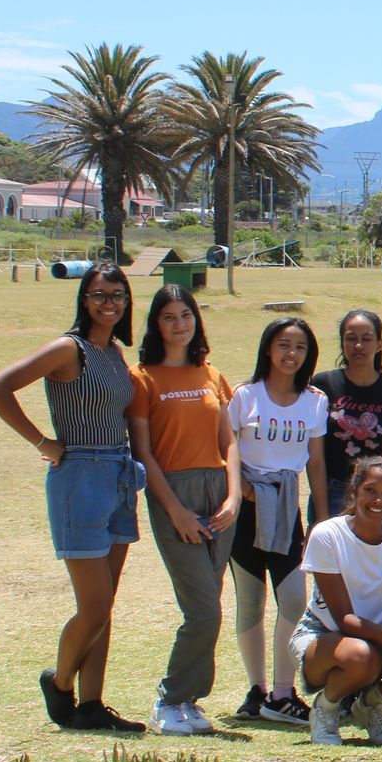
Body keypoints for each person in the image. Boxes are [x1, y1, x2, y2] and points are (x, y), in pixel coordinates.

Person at [0, 261, 147, 733]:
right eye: (99, 294)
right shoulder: (68, 349)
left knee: (105, 605)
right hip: (80, 477)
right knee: (92, 606)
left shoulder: (114, 352)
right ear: (84, 299)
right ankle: (59, 683)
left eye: (117, 294)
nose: (109, 303)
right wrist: (42, 442)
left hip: (119, 474)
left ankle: (92, 705)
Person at [128, 285, 241, 735]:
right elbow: (143, 452)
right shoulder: (142, 378)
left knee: (210, 602)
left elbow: (229, 442)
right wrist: (173, 510)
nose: (180, 325)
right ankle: (169, 698)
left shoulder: (210, 374)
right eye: (169, 317)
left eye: (186, 315)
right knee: (203, 610)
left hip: (219, 493)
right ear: (156, 325)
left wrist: (234, 496)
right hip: (173, 493)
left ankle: (189, 700)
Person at [293, 456, 382, 745]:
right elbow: (343, 619)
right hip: (322, 635)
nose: (378, 500)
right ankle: (326, 709)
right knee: (363, 657)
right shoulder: (327, 534)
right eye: (370, 490)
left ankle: (372, 705)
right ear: (354, 490)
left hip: (377, 637)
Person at [227, 317, 330, 727]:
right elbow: (226, 449)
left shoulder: (315, 401)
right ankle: (256, 691)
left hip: (287, 507)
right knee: (250, 602)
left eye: (300, 347)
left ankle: (283, 693)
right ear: (268, 349)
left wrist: (321, 518)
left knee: (293, 599)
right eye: (284, 344)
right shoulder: (244, 395)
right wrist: (240, 490)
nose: (291, 354)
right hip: (246, 509)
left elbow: (316, 462)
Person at [313, 310, 382, 517]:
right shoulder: (322, 385)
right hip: (332, 487)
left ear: (379, 344)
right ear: (342, 343)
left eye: (366, 339)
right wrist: (321, 513)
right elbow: (315, 456)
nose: (358, 345)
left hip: (377, 490)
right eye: (351, 338)